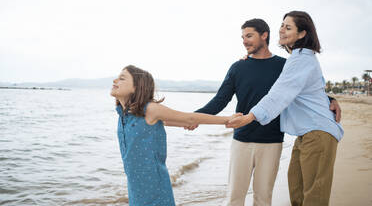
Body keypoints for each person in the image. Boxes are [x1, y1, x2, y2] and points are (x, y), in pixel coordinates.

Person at [180, 18, 341, 206]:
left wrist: (330, 100)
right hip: (242, 139)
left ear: (264, 35)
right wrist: (195, 118)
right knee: (234, 197)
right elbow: (220, 101)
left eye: (249, 36)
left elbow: (303, 89)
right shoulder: (238, 67)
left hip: (272, 141)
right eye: (242, 37)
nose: (244, 41)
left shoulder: (285, 65)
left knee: (263, 198)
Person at [227, 11, 344, 206]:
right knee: (297, 192)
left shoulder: (302, 59)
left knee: (313, 197)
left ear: (302, 34)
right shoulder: (297, 60)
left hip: (318, 132)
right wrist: (330, 98)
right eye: (282, 25)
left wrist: (250, 117)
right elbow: (311, 88)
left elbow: (279, 94)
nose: (282, 30)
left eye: (288, 27)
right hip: (306, 133)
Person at [110, 65, 241, 206]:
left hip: (155, 185)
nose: (115, 80)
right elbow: (167, 122)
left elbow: (189, 118)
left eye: (122, 78)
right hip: (135, 186)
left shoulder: (151, 109)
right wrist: (183, 123)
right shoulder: (124, 115)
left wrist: (227, 120)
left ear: (137, 87)